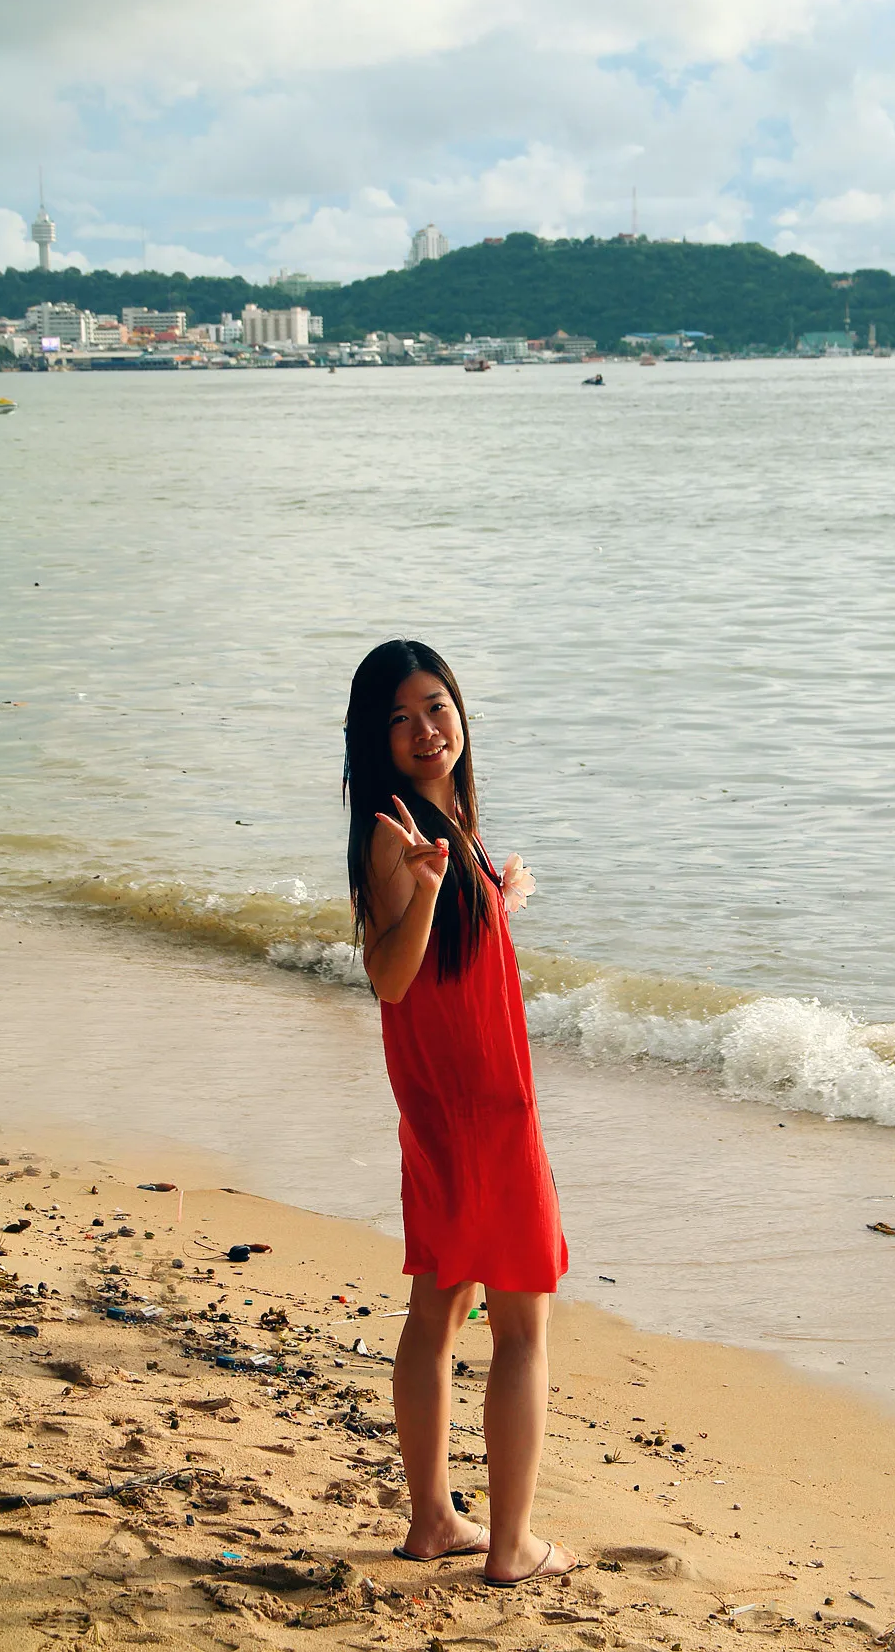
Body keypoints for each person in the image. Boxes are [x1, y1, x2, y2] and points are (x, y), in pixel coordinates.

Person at [344, 639, 578, 1587]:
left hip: (447, 1105)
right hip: (481, 1105)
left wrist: (488, 896)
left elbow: (446, 962)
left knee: (439, 1305)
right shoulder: (395, 833)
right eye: (399, 719)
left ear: (461, 711)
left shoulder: (443, 823)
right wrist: (436, 887)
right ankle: (512, 1545)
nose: (425, 730)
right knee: (519, 1326)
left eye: (436, 707)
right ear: (374, 738)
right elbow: (391, 978)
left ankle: (435, 1519)